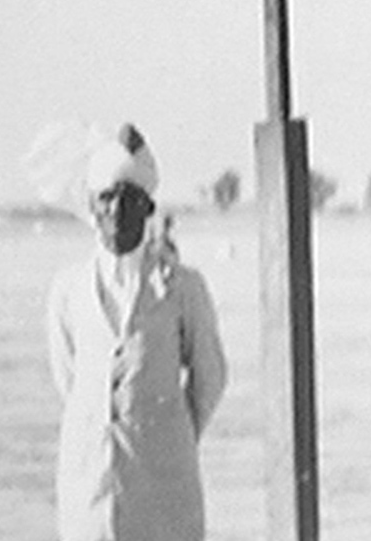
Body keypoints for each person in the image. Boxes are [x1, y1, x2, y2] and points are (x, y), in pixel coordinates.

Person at [45, 124, 227, 541]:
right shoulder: (68, 290)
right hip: (88, 487)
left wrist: (168, 434)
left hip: (164, 490)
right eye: (107, 199)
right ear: (92, 207)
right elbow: (68, 380)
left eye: (130, 200)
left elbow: (210, 378)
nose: (117, 212)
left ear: (148, 209)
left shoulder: (182, 287)